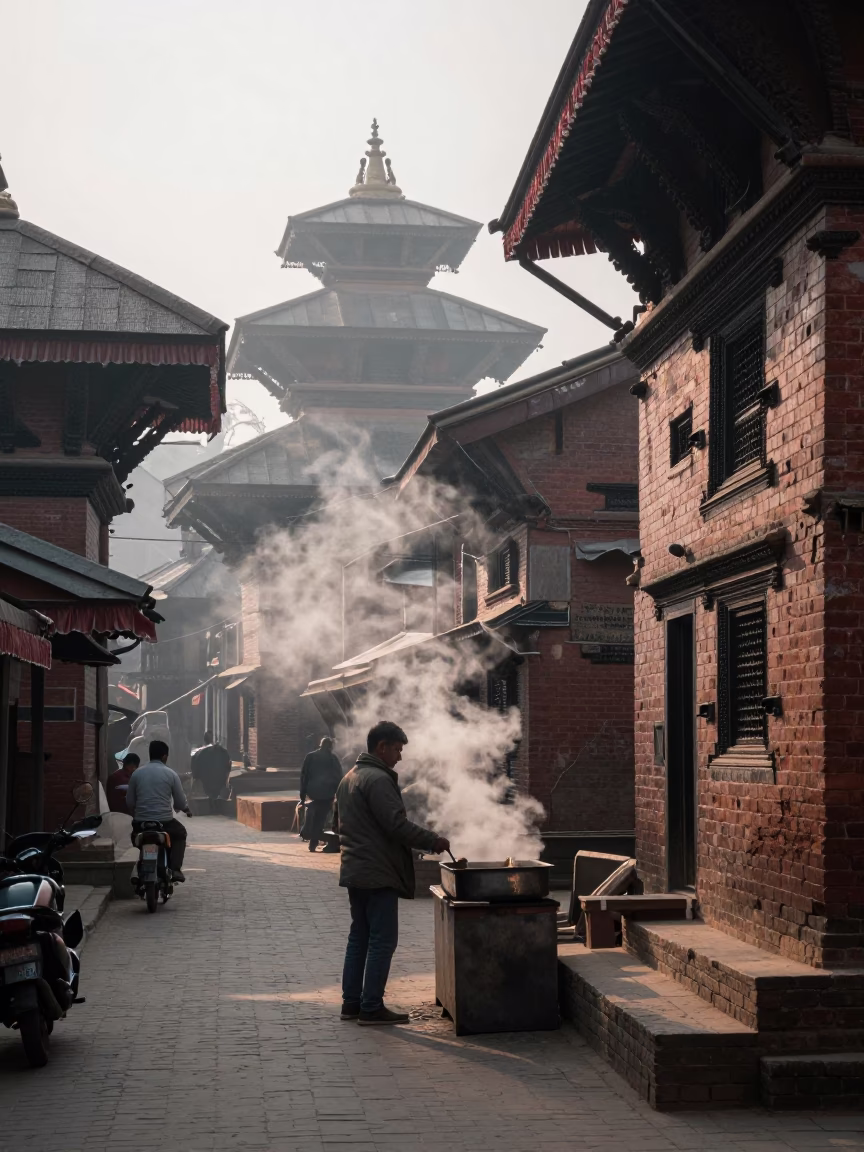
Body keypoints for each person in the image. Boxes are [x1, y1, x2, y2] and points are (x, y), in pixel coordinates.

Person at [336, 720, 449, 1026]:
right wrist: (432, 840)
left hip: (355, 869)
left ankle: (352, 1003)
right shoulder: (378, 779)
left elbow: (344, 826)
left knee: (359, 936)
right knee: (382, 940)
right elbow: (396, 824)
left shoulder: (350, 777)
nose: (400, 756)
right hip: (377, 872)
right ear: (382, 747)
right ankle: (371, 1006)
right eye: (397, 749)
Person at [126, 740, 193, 882]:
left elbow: (130, 802)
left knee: (136, 838)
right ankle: (175, 869)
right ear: (164, 757)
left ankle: (139, 869)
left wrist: (137, 815)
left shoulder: (137, 774)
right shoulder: (171, 774)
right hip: (165, 823)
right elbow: (180, 802)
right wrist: (186, 809)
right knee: (180, 833)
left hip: (141, 823)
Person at [299, 737, 343, 852]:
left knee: (311, 819)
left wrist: (302, 796)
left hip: (312, 794)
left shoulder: (310, 756)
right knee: (320, 820)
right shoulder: (333, 758)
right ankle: (313, 843)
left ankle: (311, 841)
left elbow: (304, 776)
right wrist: (336, 794)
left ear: (320, 745)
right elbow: (339, 777)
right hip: (327, 795)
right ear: (330, 747)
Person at [191, 729, 232, 814]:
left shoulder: (198, 752)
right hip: (219, 776)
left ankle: (212, 804)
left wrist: (196, 777)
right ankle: (215, 804)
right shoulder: (222, 752)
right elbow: (228, 765)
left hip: (206, 777)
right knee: (215, 792)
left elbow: (194, 766)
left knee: (210, 792)